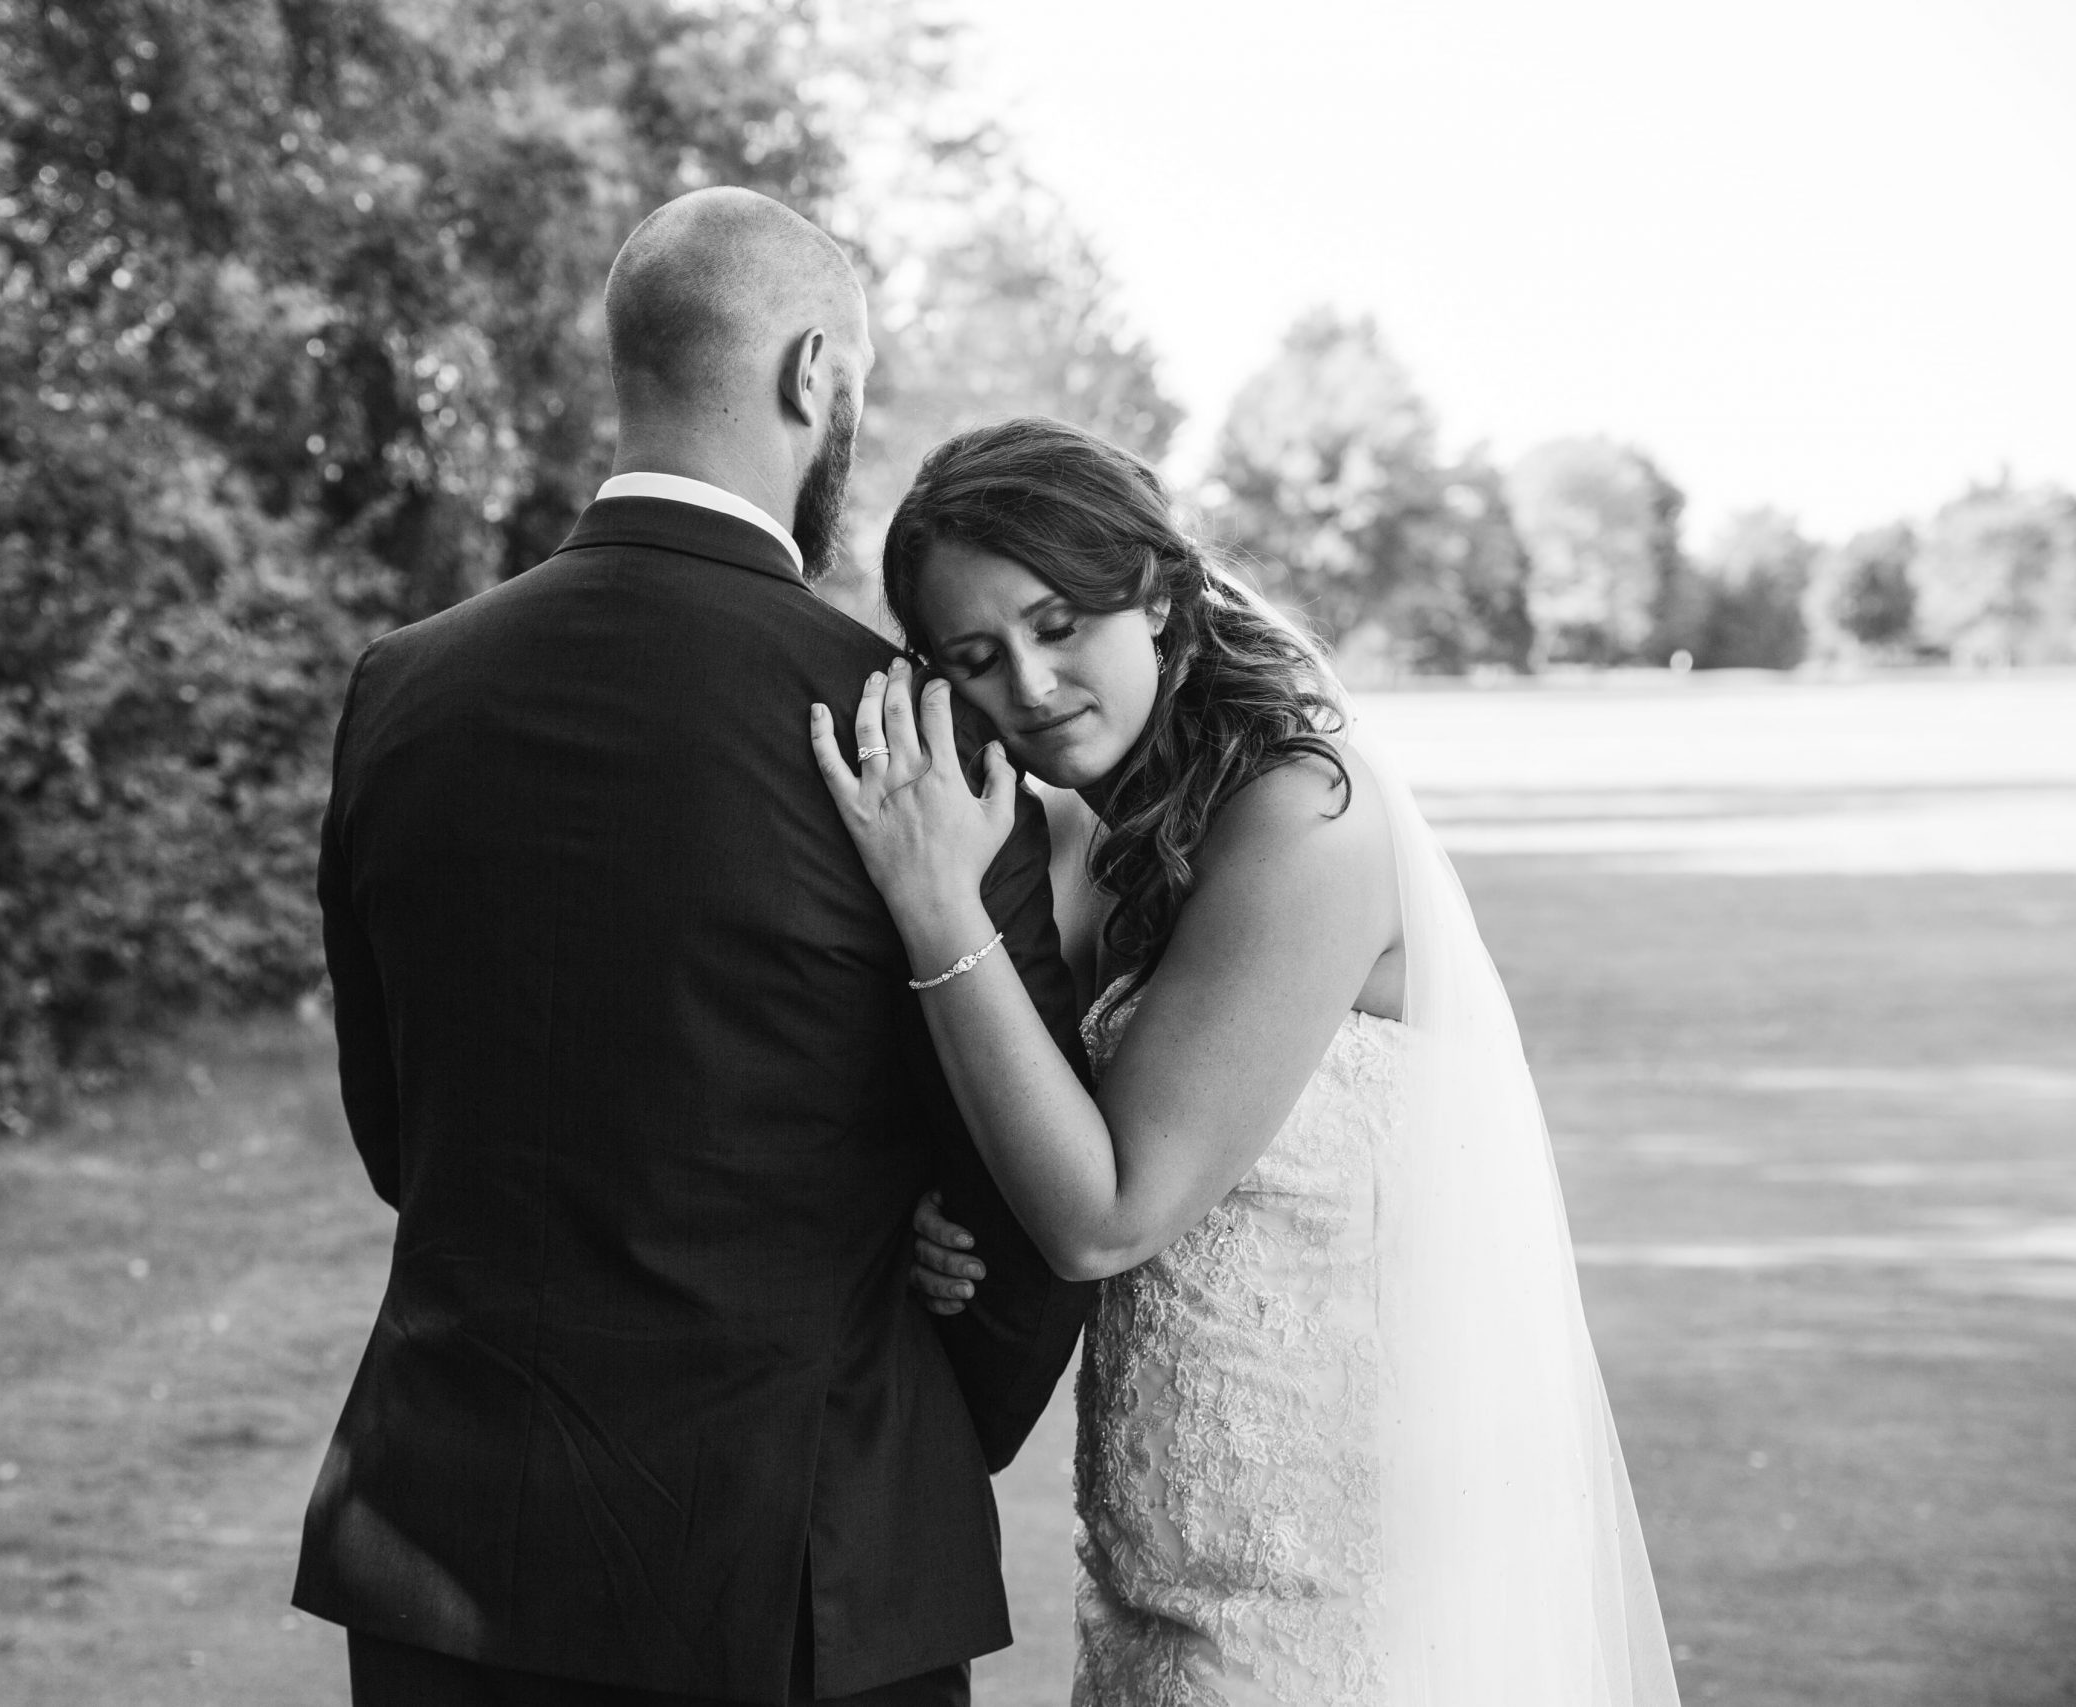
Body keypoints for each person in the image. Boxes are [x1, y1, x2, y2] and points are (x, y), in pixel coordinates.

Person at [295, 191, 1096, 1707]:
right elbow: (1025, 1197)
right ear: (816, 376)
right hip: (802, 1572)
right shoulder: (904, 725)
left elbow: (403, 1132)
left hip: (446, 1557)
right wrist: (923, 1418)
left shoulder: (402, 691)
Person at [810, 418, 1679, 1707]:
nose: (1030, 691)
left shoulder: (1304, 819)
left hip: (1333, 1575)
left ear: (1155, 598)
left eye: (1059, 626)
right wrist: (951, 1216)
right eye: (977, 660)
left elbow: (1110, 1213)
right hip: (1157, 1565)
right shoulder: (1079, 851)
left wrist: (939, 906)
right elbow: (1052, 1148)